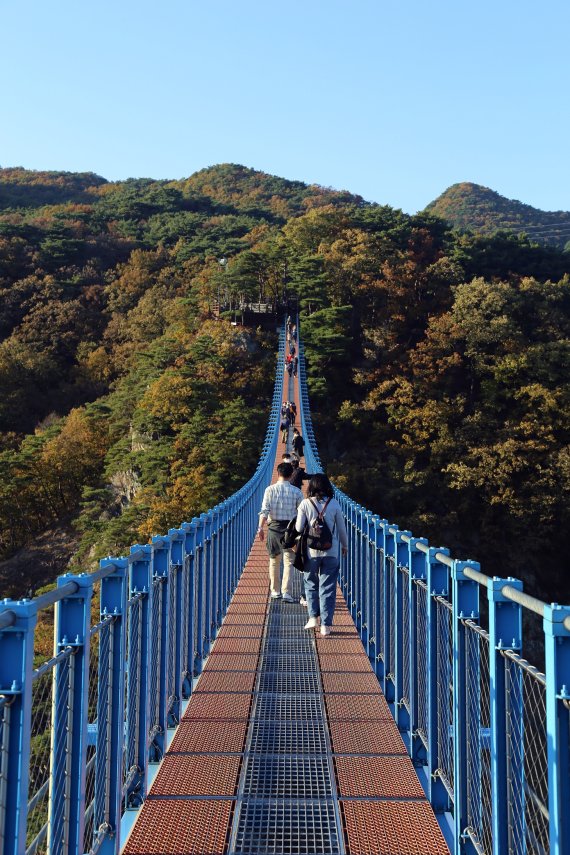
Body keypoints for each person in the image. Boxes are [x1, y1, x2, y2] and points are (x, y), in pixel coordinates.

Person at [295, 474, 348, 635]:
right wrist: (345, 546)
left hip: (311, 552)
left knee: (310, 583)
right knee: (328, 588)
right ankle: (326, 625)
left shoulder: (305, 503)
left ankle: (312, 618)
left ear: (311, 486)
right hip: (331, 551)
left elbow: (298, 528)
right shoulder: (335, 504)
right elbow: (341, 529)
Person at [258, 462, 303, 601]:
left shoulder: (269, 490)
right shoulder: (297, 491)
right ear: (291, 475)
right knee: (289, 562)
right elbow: (302, 512)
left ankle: (275, 591)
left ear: (278, 473)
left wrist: (260, 527)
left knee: (274, 560)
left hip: (273, 529)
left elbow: (265, 511)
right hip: (290, 530)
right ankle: (286, 593)